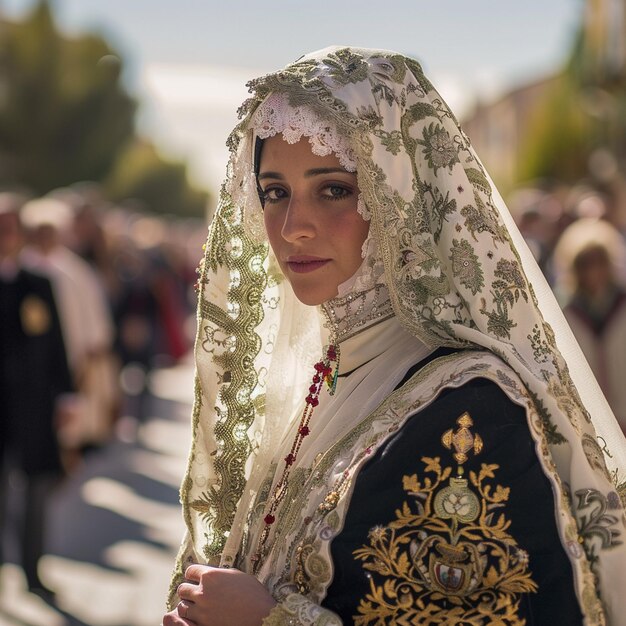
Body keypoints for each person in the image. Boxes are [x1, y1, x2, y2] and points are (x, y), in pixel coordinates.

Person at [163, 47, 626, 625]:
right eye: (275, 190)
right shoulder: (318, 378)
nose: (292, 226)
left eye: (333, 189)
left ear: (401, 200)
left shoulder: (470, 407)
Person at [0, 193, 73, 595]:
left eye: (10, 227)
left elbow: (56, 343)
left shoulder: (39, 283)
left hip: (32, 406)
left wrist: (66, 396)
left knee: (36, 492)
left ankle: (32, 573)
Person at [554, 217, 626, 435]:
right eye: (585, 263)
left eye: (599, 261)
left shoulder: (621, 304)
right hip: (592, 422)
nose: (593, 270)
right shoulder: (567, 314)